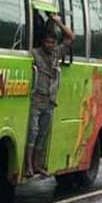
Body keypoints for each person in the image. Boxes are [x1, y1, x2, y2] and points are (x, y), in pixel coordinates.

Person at [26, 12, 74, 177]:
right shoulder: (34, 54)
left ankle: (37, 165)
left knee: (42, 134)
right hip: (36, 98)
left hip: (50, 100)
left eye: (53, 42)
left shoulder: (55, 54)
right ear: (43, 42)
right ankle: (28, 166)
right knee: (32, 132)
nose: (50, 45)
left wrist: (58, 22)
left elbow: (70, 37)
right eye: (47, 42)